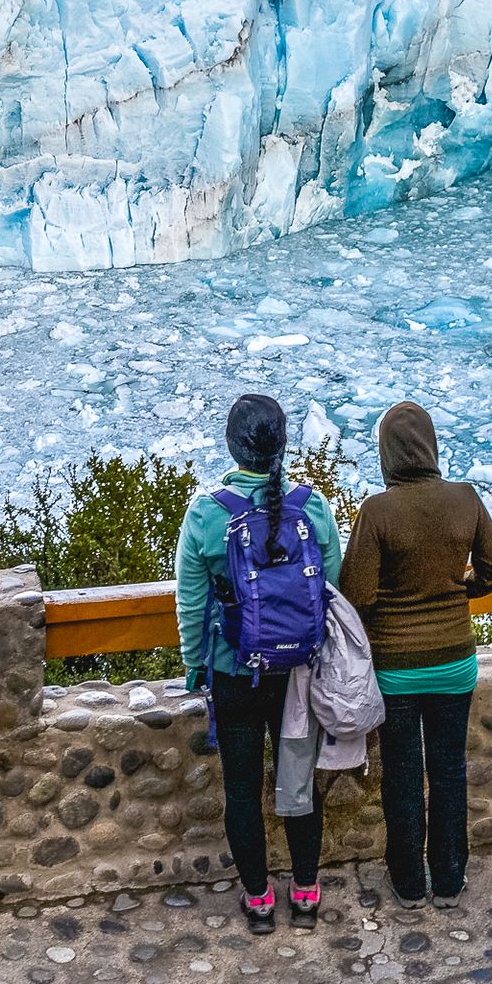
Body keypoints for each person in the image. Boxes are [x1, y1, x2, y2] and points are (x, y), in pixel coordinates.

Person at [174, 393, 341, 933]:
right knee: (298, 781)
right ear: (283, 446)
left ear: (232, 445)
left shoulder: (206, 514)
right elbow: (331, 590)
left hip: (234, 670)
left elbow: (192, 603)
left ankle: (259, 900)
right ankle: (308, 893)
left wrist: (195, 667)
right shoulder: (311, 508)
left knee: (242, 789)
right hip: (298, 671)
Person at [339, 402, 492, 902]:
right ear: (431, 446)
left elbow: (357, 595)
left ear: (387, 453)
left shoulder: (377, 511)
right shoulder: (466, 499)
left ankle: (409, 882)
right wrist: (460, 591)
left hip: (396, 670)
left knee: (404, 777)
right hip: (456, 662)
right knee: (450, 771)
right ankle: (451, 878)